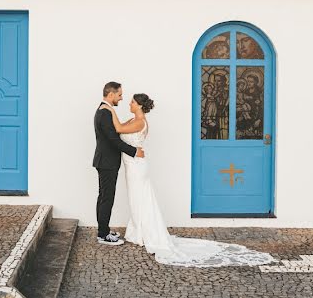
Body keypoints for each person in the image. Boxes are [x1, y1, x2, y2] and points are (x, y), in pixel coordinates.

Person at [101, 93, 277, 267]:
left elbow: (117, 129)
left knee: (141, 198)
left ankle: (147, 233)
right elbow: (120, 128)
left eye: (132, 102)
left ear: (139, 105)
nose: (129, 104)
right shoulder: (132, 120)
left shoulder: (140, 122)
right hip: (131, 165)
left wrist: (108, 106)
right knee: (136, 199)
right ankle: (138, 231)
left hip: (137, 166)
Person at [92, 81, 144, 246]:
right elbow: (114, 140)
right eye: (120, 95)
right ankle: (103, 235)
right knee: (106, 198)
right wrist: (134, 151)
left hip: (106, 161)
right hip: (107, 162)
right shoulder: (105, 112)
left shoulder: (105, 110)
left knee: (104, 197)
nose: (121, 98)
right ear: (111, 94)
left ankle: (104, 230)